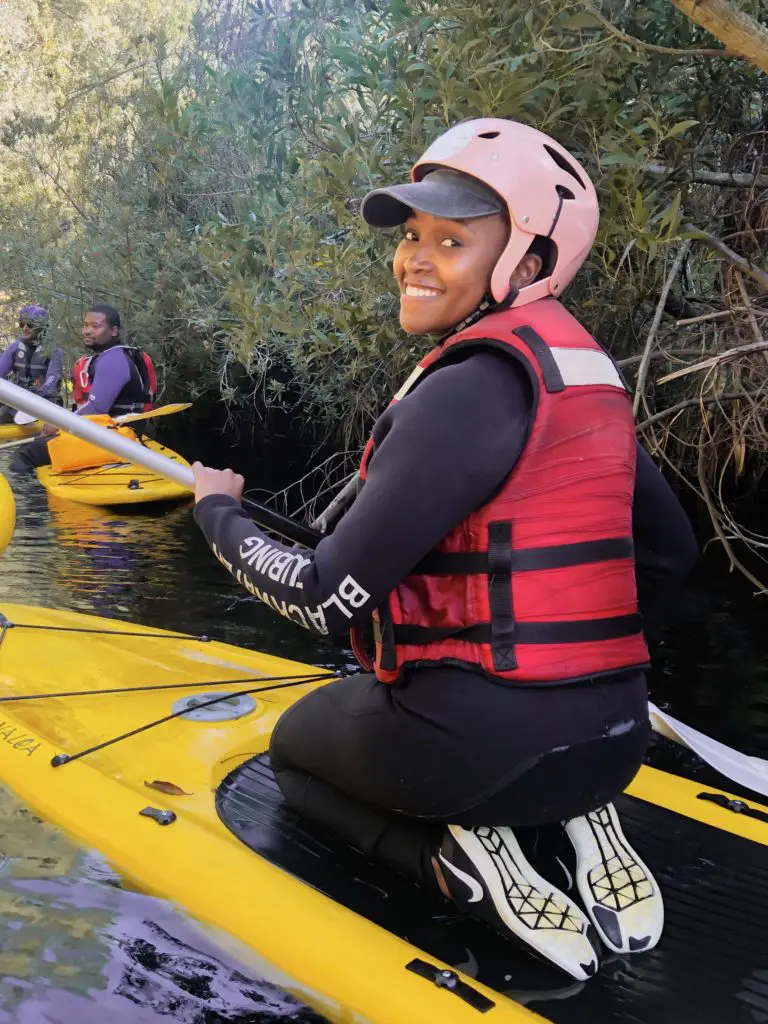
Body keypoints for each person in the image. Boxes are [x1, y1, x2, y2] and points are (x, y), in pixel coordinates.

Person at [191, 119, 699, 980]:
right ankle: (577, 816)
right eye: (413, 237)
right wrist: (567, 664)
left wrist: (217, 514)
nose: (414, 260)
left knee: (289, 755)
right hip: (614, 744)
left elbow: (322, 598)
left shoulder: (462, 391)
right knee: (520, 723)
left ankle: (457, 862)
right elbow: (670, 555)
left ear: (530, 263)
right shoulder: (586, 376)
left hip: (483, 754)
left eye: (452, 241)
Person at [13, 304, 156, 471]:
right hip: (112, 434)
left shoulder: (113, 360)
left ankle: (31, 497)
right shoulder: (109, 355)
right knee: (37, 441)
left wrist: (59, 423)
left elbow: (96, 408)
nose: (87, 331)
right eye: (85, 325)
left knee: (27, 454)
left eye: (95, 326)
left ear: (114, 331)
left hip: (118, 440)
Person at [0, 306, 63, 422]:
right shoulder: (14, 348)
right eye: (22, 324)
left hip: (44, 405)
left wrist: (34, 404)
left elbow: (52, 381)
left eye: (30, 325)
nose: (25, 328)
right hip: (17, 403)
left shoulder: (53, 351)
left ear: (42, 326)